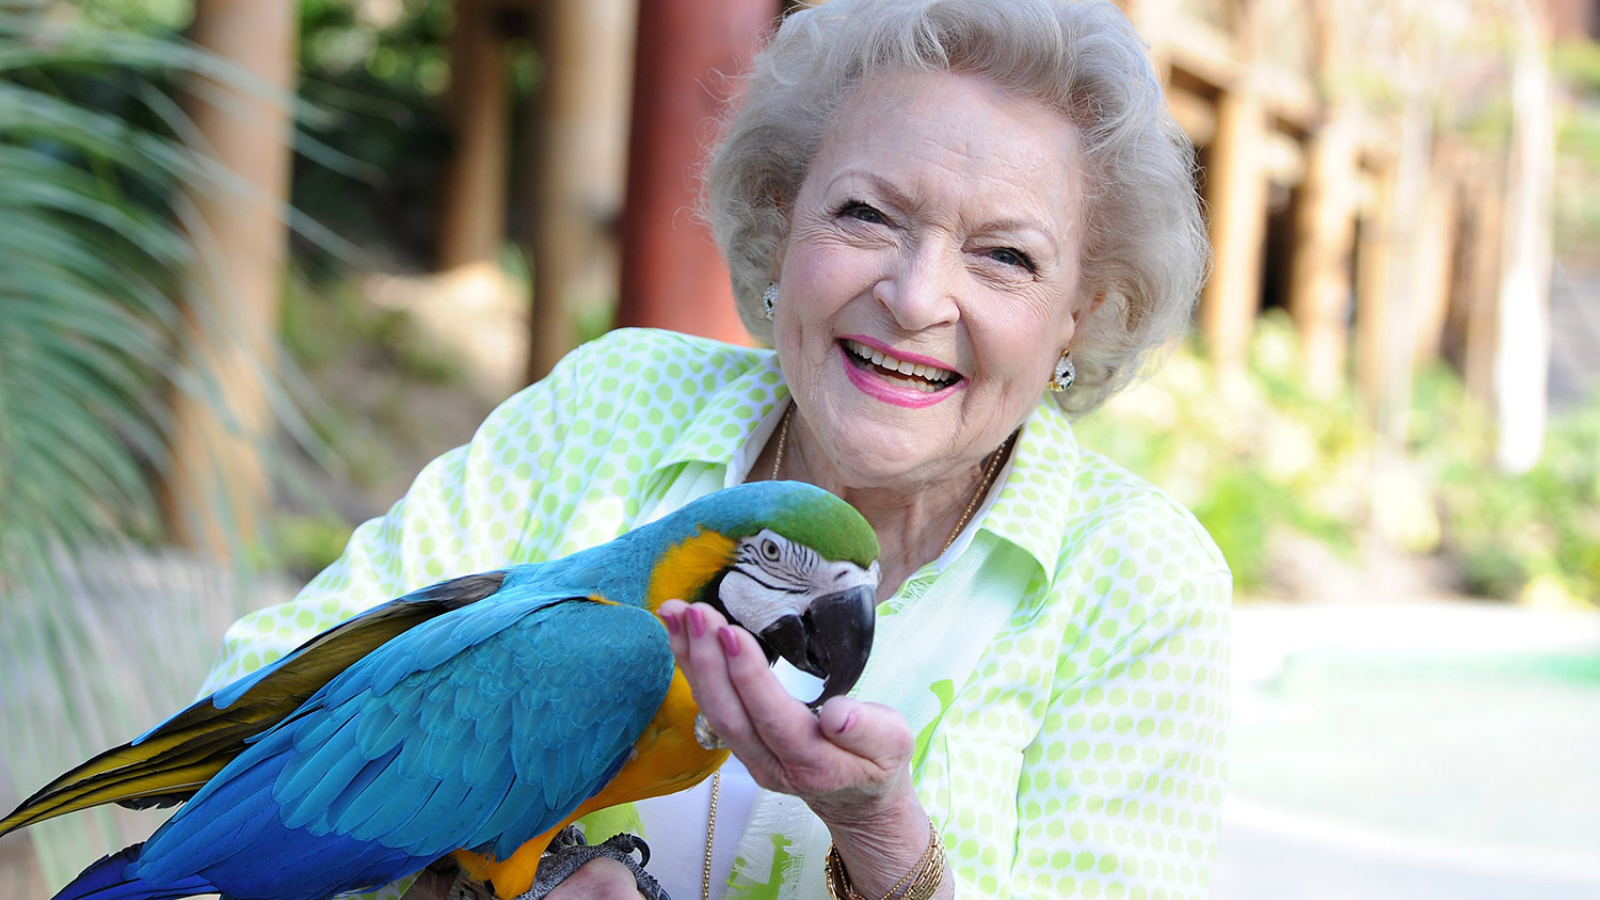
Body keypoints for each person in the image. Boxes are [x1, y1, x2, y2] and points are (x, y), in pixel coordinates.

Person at [199, 1, 1229, 898]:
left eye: (1005, 256)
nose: (915, 298)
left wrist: (887, 848)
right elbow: (260, 709)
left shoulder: (1136, 579)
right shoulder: (613, 406)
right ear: (781, 222)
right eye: (866, 215)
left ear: (1080, 315)